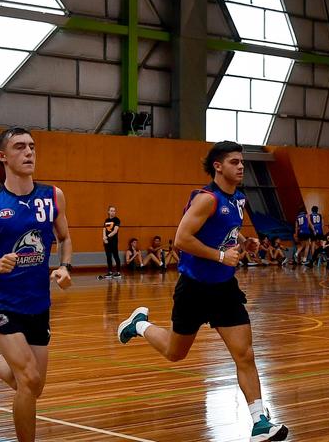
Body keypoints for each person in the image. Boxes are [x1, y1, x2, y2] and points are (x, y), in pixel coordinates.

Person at [116, 141, 288, 442]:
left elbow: (226, 232)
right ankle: (138, 325)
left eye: (242, 162)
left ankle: (259, 421)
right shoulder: (207, 199)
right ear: (218, 166)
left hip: (224, 289)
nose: (241, 166)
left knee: (244, 354)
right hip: (194, 288)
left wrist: (245, 242)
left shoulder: (239, 200)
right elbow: (181, 239)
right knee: (174, 352)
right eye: (234, 162)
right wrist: (221, 256)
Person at [0, 127, 73, 442]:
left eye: (32, 147)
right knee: (28, 377)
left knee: (34, 386)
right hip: (0, 303)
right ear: (2, 156)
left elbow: (64, 238)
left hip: (38, 303)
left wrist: (64, 266)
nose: (29, 152)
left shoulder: (52, 196)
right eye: (20, 147)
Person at [101, 206, 122, 280]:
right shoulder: (106, 220)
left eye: (114, 211)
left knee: (115, 256)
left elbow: (115, 231)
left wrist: (107, 237)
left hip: (113, 241)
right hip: (107, 242)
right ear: (108, 212)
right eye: (111, 211)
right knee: (108, 257)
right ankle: (110, 272)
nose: (113, 212)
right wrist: (104, 238)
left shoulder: (117, 220)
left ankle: (118, 272)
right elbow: (104, 229)